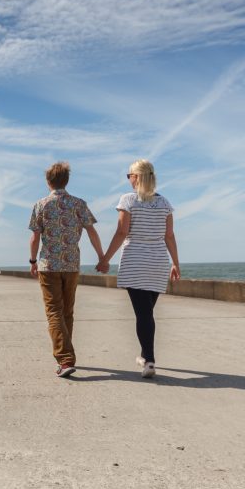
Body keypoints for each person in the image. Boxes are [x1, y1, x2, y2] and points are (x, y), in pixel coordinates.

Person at [97, 159, 180, 378]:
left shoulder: (128, 200)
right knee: (147, 312)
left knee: (143, 314)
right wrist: (175, 263)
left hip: (136, 262)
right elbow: (169, 235)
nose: (128, 179)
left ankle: (150, 361)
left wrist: (105, 258)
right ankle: (145, 355)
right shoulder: (165, 203)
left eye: (129, 175)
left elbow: (122, 232)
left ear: (137, 177)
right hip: (158, 262)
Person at [29, 162, 105, 378]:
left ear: (48, 182)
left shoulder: (41, 205)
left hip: (48, 265)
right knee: (67, 311)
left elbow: (35, 237)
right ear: (66, 181)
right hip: (71, 265)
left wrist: (33, 261)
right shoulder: (78, 204)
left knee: (54, 311)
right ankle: (67, 355)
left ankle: (65, 359)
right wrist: (101, 256)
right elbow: (92, 232)